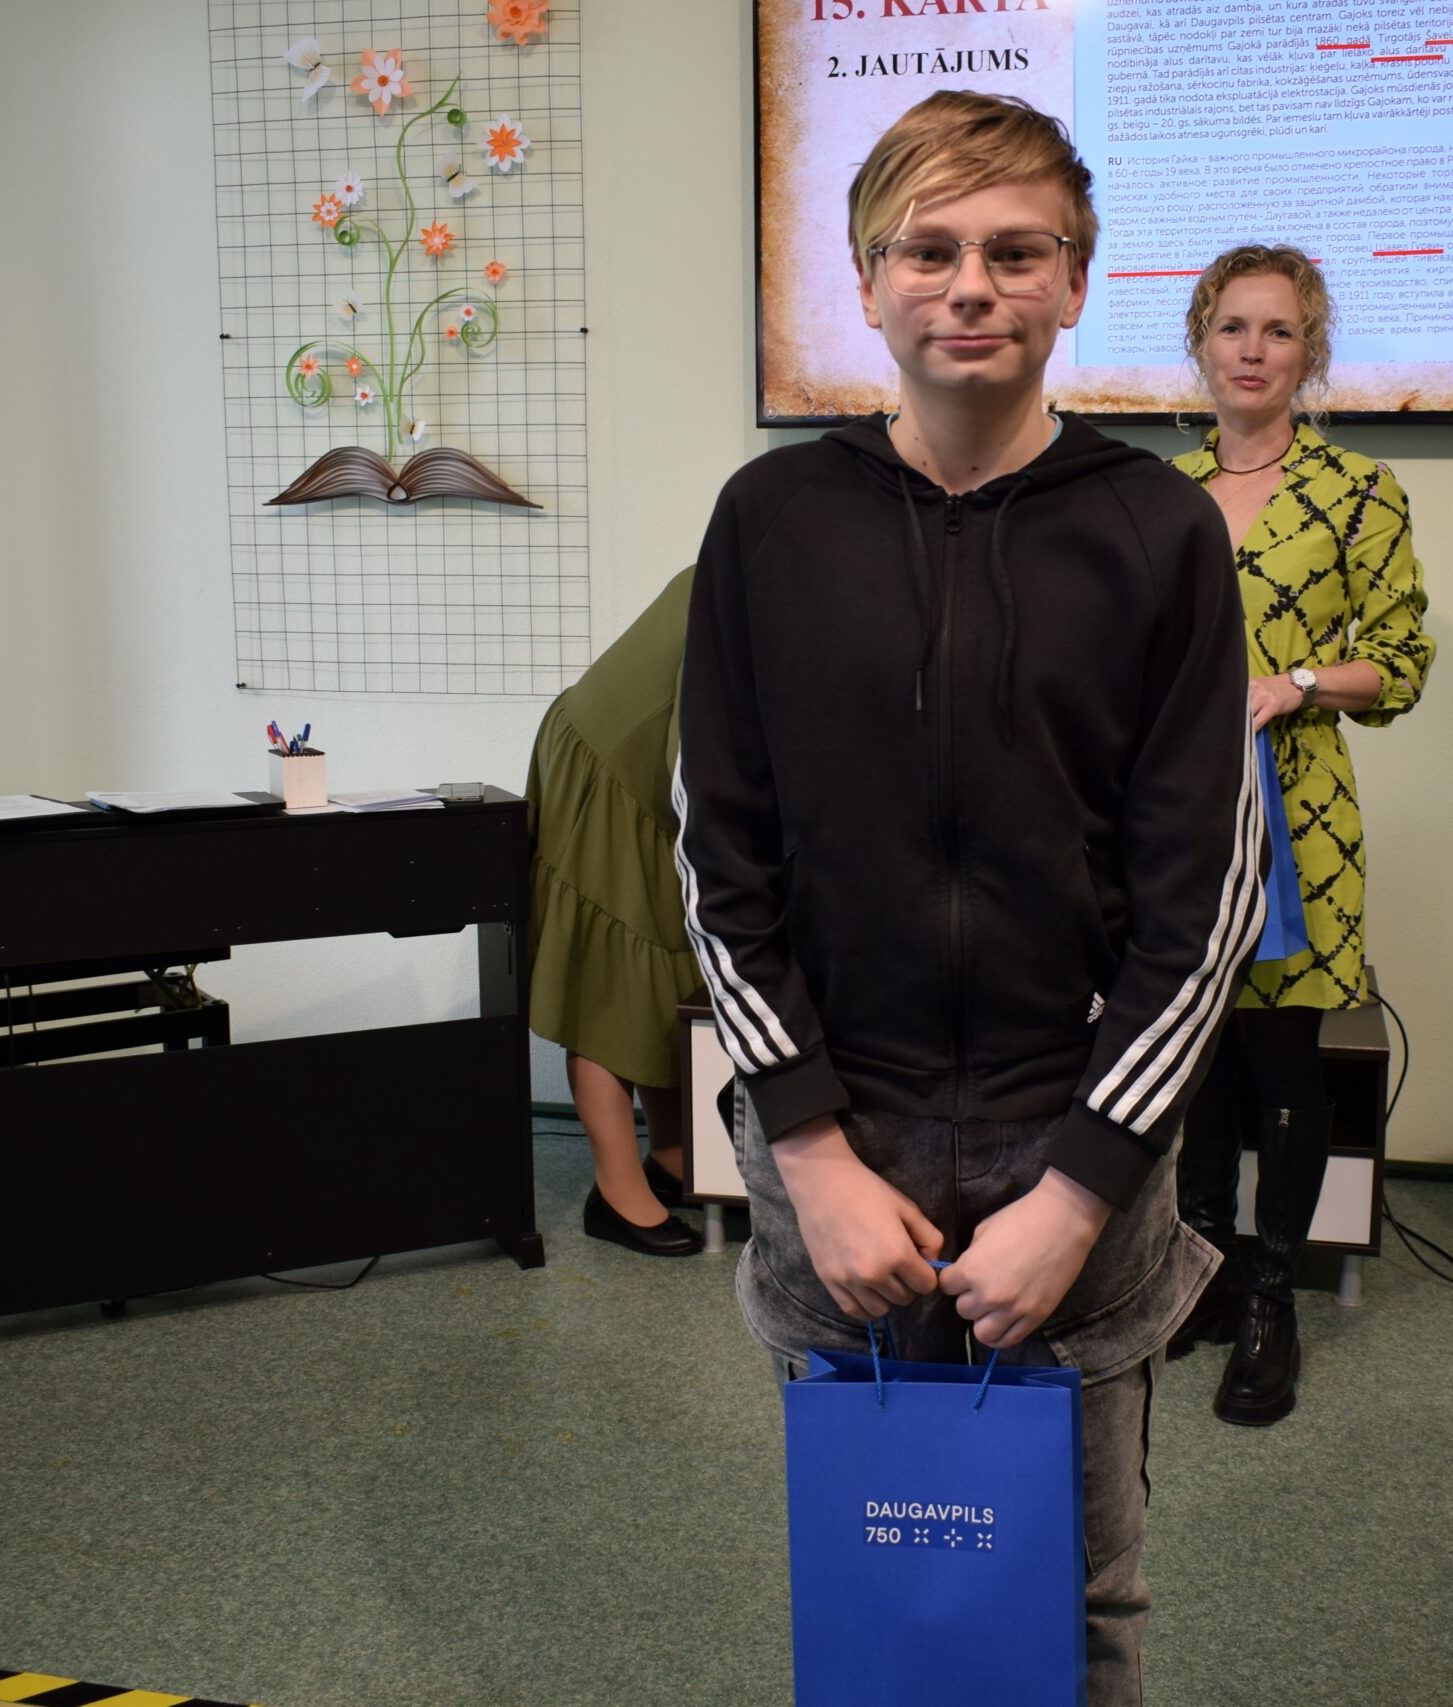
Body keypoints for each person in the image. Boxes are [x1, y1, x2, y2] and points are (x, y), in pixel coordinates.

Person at [675, 92, 1260, 1703]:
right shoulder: (771, 522)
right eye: (928, 249)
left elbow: (1205, 898)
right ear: (868, 279)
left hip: (1072, 1128)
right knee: (878, 1572)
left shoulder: (1158, 531)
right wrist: (811, 1152)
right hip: (836, 1140)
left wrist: (1075, 1191)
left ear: (1076, 280)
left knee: (1075, 1592)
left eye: (1016, 250)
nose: (971, 285)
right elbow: (717, 858)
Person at [1167, 244, 1436, 1425]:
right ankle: (1201, 1270)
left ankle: (1270, 1295)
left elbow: (1403, 663)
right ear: (1200, 343)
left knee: (1280, 1058)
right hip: (1176, 811)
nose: (1252, 350)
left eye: (1278, 331)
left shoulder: (1359, 489)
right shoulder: (1157, 491)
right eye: (1232, 327)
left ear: (1309, 351)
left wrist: (1299, 681)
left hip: (1298, 810)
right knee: (1192, 1057)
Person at [525, 567, 707, 1257]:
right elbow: (695, 757)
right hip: (607, 777)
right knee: (607, 988)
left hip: (651, 790)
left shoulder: (759, 577)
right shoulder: (738, 593)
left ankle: (670, 1155)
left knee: (669, 968)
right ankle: (615, 1188)